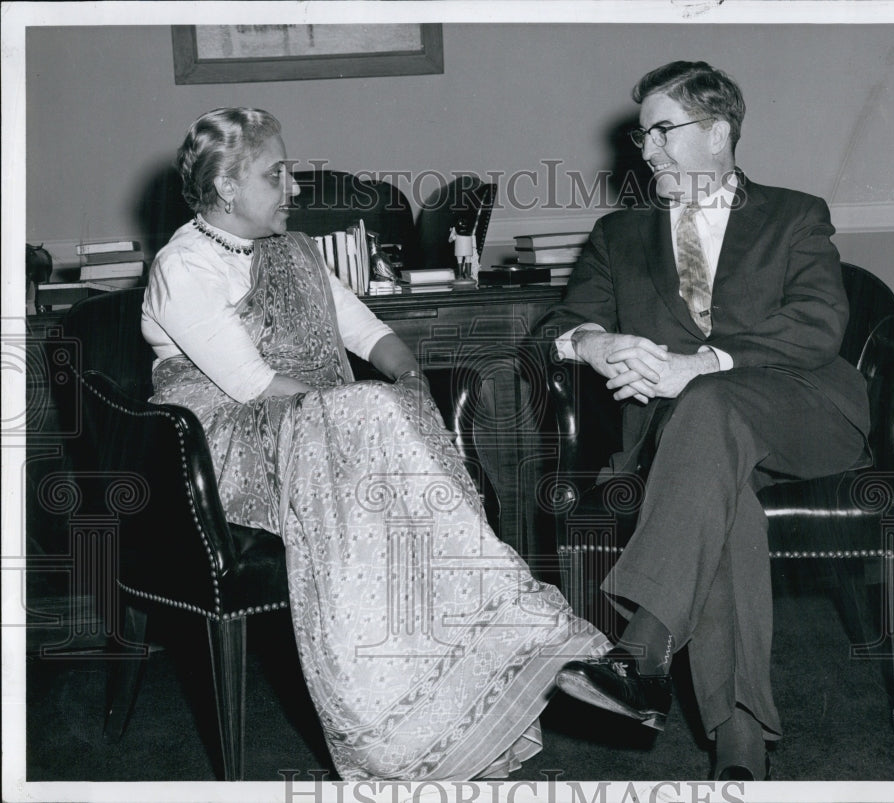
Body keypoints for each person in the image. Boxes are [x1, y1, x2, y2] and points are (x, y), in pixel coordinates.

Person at [140, 107, 609, 781]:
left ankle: (475, 686)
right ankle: (528, 632)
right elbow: (253, 384)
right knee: (376, 418)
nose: (294, 189)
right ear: (225, 189)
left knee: (394, 419)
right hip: (231, 454)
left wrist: (408, 374)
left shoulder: (290, 250)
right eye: (277, 175)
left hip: (318, 425)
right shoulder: (181, 266)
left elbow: (360, 324)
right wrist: (375, 407)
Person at [534, 61, 870, 780]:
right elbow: (558, 326)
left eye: (663, 130)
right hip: (684, 448)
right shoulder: (618, 234)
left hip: (804, 413)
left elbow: (818, 326)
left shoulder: (794, 213)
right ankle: (741, 744)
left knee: (710, 401)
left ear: (717, 133)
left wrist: (705, 363)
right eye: (641, 135)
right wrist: (598, 343)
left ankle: (643, 642)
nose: (647, 149)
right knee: (726, 505)